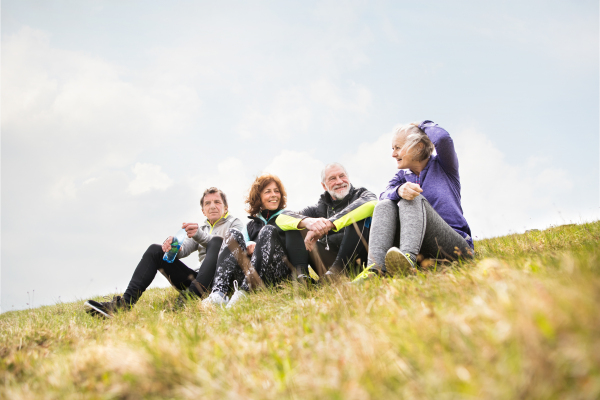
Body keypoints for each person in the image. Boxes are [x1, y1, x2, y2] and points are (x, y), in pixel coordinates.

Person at [84, 187, 244, 317]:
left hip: (222, 283)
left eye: (217, 202)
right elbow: (184, 250)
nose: (213, 206)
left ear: (225, 208)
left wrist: (199, 235)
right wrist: (172, 247)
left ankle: (188, 299)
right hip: (199, 279)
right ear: (203, 210)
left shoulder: (235, 223)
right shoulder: (200, 228)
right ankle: (124, 305)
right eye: (208, 203)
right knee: (155, 250)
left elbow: (230, 246)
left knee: (216, 242)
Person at [355, 120, 474, 282]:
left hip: (455, 247)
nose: (393, 154)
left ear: (417, 147)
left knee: (411, 198)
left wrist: (423, 124)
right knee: (385, 204)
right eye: (392, 149)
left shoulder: (445, 166)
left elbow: (443, 139)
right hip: (424, 252)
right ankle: (374, 270)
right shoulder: (402, 177)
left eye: (398, 148)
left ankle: (407, 260)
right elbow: (383, 195)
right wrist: (398, 190)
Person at [203, 174, 309, 308]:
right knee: (233, 233)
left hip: (277, 273)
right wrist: (248, 245)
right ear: (258, 197)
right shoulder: (250, 226)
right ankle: (219, 293)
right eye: (268, 191)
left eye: (277, 191)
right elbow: (239, 248)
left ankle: (244, 293)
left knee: (268, 230)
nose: (274, 195)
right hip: (249, 273)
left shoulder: (287, 216)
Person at [275, 163, 378, 278]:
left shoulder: (362, 195)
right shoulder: (318, 209)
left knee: (359, 215)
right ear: (324, 186)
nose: (339, 181)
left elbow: (372, 203)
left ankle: (336, 274)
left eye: (342, 176)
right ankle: (302, 278)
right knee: (295, 224)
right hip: (328, 264)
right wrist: (308, 222)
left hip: (360, 260)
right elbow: (280, 219)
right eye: (332, 178)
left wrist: (330, 223)